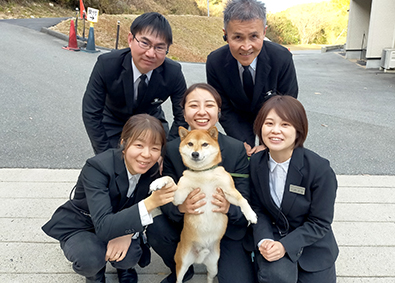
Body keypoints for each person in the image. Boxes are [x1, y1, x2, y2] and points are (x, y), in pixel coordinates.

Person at [42, 114, 177, 283]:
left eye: (155, 148)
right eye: (139, 145)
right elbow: (104, 225)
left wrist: (127, 234)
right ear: (124, 143)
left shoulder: (152, 170)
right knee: (90, 258)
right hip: (85, 224)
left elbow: (138, 210)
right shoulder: (97, 167)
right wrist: (151, 202)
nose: (146, 154)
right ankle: (95, 275)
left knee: (130, 256)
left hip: (118, 222)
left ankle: (124, 269)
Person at [146, 83, 256, 283]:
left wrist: (228, 207)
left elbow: (245, 196)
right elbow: (166, 198)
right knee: (156, 228)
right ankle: (181, 268)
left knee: (236, 279)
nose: (202, 112)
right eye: (194, 105)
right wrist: (180, 207)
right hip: (188, 227)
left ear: (218, 111)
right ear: (185, 113)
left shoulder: (235, 148)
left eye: (209, 105)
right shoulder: (172, 149)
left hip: (224, 231)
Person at [250, 95, 338, 283]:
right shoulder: (256, 163)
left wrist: (286, 246)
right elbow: (258, 209)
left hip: (312, 242)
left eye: (285, 125)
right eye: (269, 123)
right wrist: (264, 240)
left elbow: (320, 222)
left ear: (298, 130)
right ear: (260, 127)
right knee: (275, 277)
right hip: (274, 236)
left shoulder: (319, 169)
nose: (275, 131)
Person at [83, 12, 188, 155]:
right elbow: (91, 112)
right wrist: (105, 155)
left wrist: (167, 153)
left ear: (167, 49)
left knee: (158, 167)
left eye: (159, 47)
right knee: (114, 168)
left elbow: (183, 115)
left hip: (151, 119)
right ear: (130, 39)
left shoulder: (173, 72)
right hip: (113, 120)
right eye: (145, 43)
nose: (151, 53)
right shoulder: (107, 64)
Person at [206, 0, 298, 156]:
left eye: (254, 36)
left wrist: (269, 142)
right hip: (238, 114)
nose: (246, 46)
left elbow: (288, 102)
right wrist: (241, 143)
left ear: (264, 32)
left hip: (273, 116)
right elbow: (224, 108)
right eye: (238, 37)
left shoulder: (282, 58)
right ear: (226, 35)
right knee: (242, 156)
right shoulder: (215, 62)